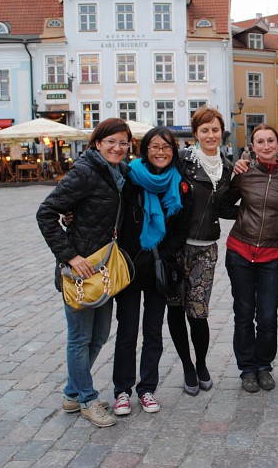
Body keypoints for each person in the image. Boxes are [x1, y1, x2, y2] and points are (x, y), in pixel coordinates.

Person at [36, 118, 138, 428]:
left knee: (100, 334)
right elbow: (46, 213)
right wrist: (70, 256)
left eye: (123, 142)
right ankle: (87, 399)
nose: (117, 147)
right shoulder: (84, 172)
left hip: (103, 268)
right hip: (80, 271)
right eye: (111, 142)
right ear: (97, 143)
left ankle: (72, 392)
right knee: (80, 338)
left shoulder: (120, 173)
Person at [112, 127, 187, 416]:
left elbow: (181, 230)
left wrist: (162, 254)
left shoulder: (178, 182)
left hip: (157, 268)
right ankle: (122, 390)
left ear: (173, 151)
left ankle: (147, 389)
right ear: (145, 150)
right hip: (130, 267)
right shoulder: (130, 177)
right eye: (155, 146)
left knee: (153, 331)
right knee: (127, 331)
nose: (160, 152)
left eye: (166, 147)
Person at [168, 106, 233, 396]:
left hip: (206, 248)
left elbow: (226, 207)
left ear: (222, 132)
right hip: (176, 247)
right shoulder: (182, 161)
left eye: (215, 129)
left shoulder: (228, 167)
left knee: (198, 312)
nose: (210, 135)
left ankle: (202, 363)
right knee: (175, 307)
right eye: (204, 130)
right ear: (195, 133)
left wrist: (257, 212)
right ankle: (187, 366)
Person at [222, 124, 278, 393]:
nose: (266, 146)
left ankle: (264, 365)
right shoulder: (244, 173)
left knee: (267, 316)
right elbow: (223, 204)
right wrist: (243, 215)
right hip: (240, 251)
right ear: (252, 146)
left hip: (273, 256)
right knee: (243, 313)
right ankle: (247, 369)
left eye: (270, 140)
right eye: (260, 142)